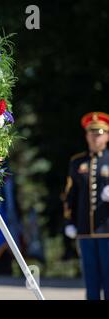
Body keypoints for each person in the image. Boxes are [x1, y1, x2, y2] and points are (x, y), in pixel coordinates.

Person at [63, 111, 109, 300]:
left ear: (107, 136)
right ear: (86, 135)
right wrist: (68, 222)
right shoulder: (77, 162)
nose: (95, 137)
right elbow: (70, 195)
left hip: (107, 230)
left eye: (99, 133)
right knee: (90, 281)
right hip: (84, 230)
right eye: (91, 133)